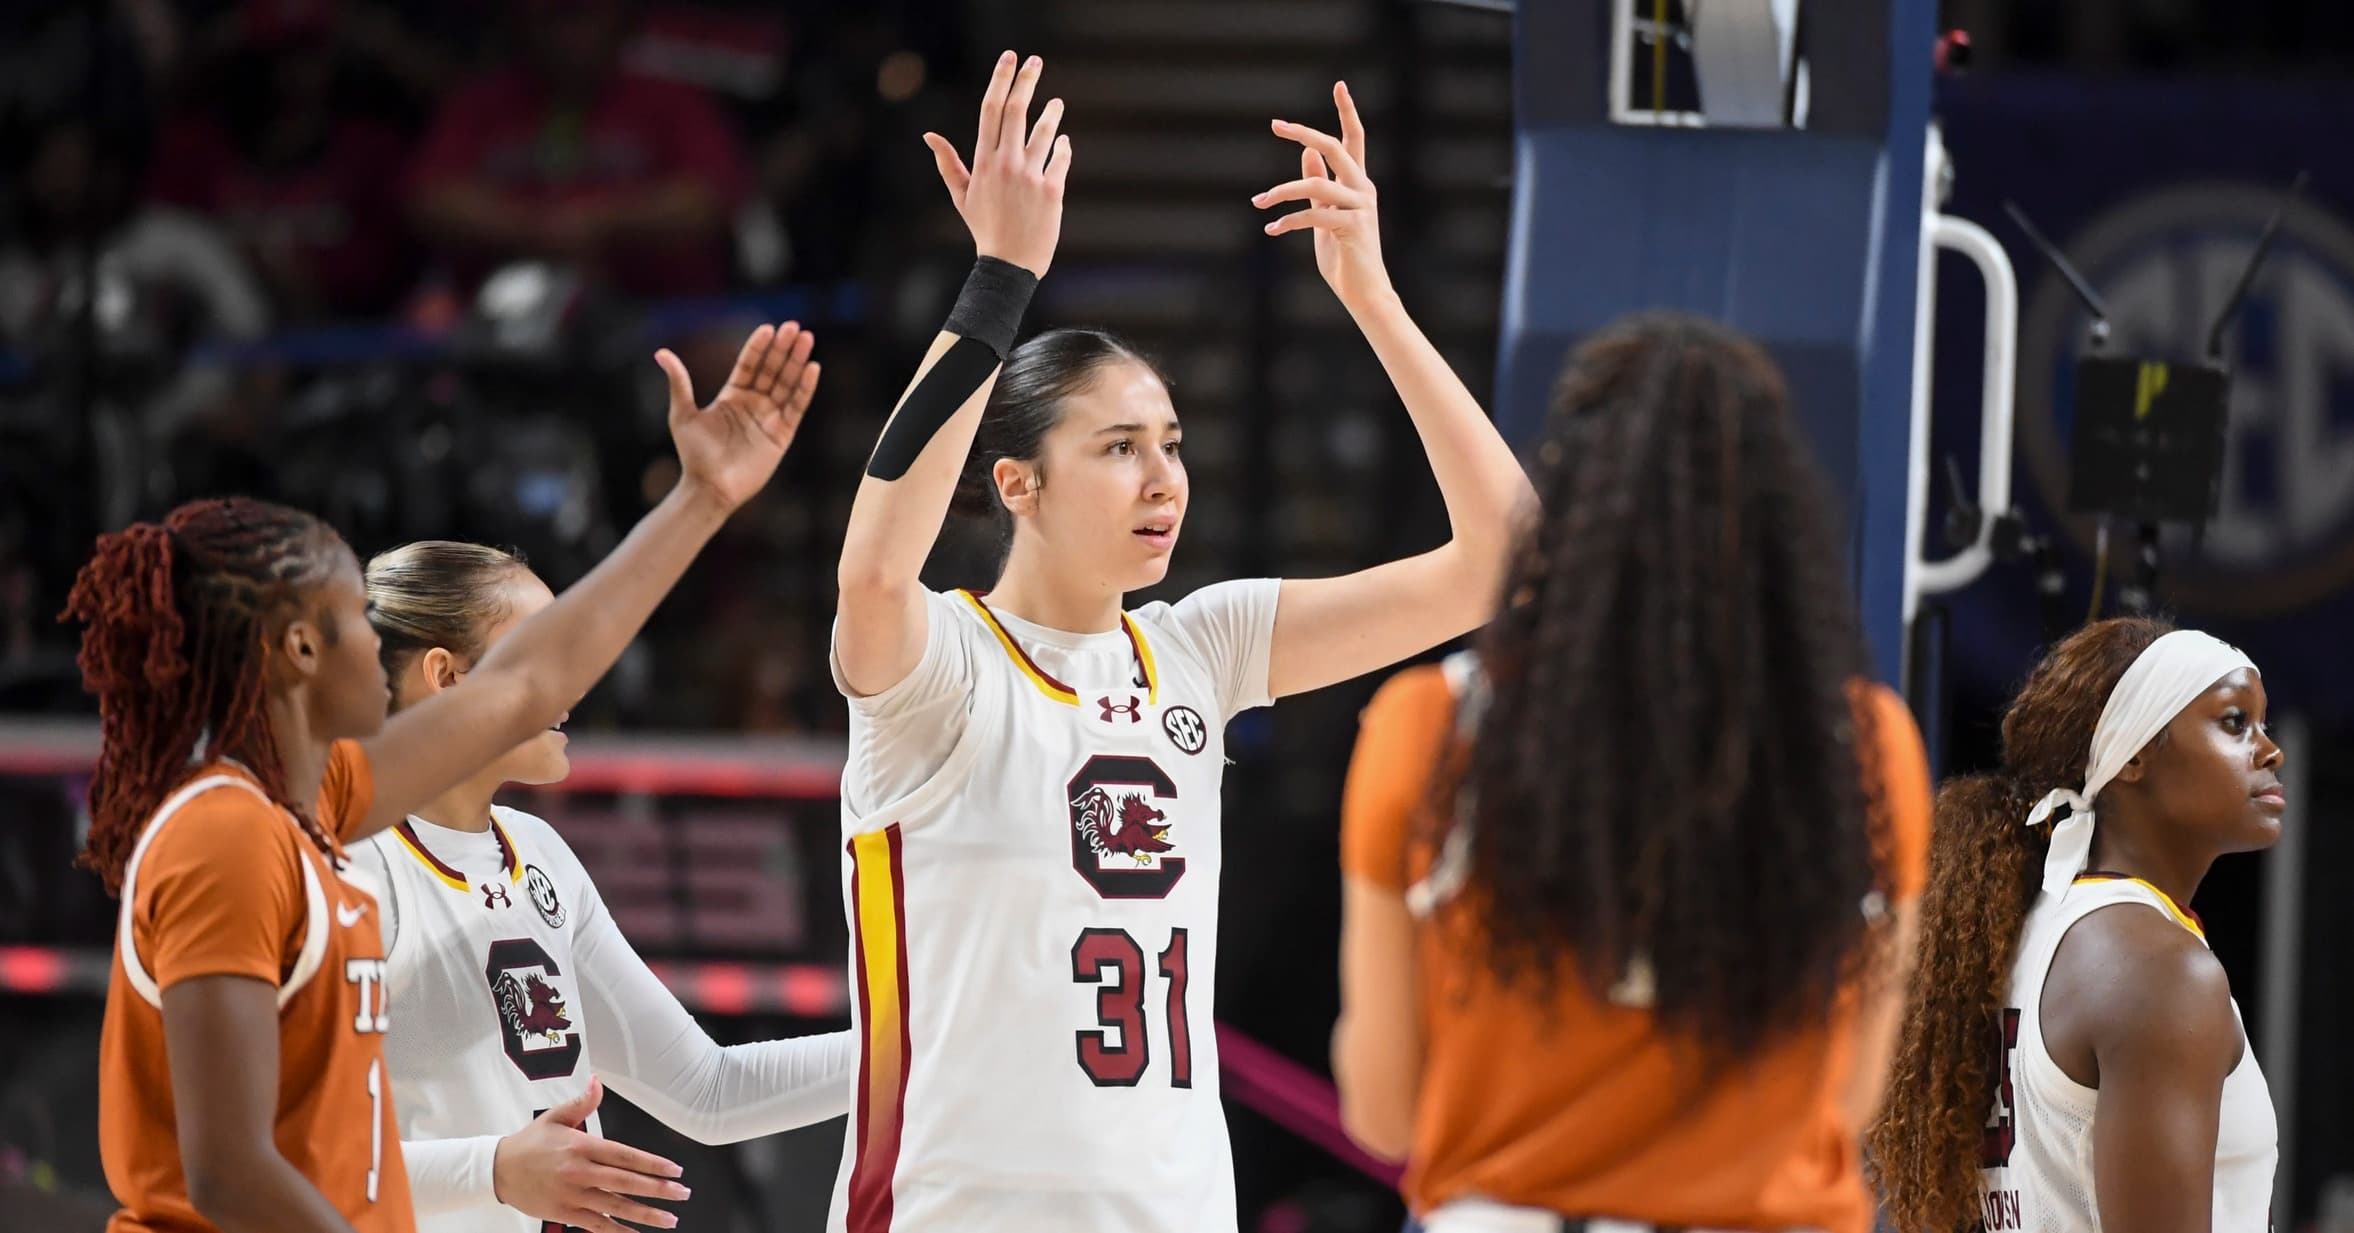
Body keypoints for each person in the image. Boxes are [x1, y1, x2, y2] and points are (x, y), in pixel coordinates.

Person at [825, 52, 1533, 1233]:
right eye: (1117, 448)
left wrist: (1372, 298)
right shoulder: (938, 669)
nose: (1163, 479)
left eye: (1173, 443)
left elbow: (1501, 558)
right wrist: (999, 279)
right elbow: (871, 566)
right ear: (1017, 483)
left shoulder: (1195, 650)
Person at [65, 320, 818, 1233]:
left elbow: (537, 678)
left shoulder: (336, 802)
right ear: (303, 648)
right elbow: (222, 1167)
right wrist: (493, 1169)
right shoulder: (230, 836)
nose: (379, 645)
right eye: (356, 616)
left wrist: (704, 498)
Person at [1332, 314, 1933, 1233]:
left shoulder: (1430, 729)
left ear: (1570, 504)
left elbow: (1383, 1110)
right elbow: (1853, 1100)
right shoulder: (1866, 746)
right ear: (1782, 528)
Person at [353, 539, 857, 1233]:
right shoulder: (354, 867)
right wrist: (494, 1170)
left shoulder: (540, 854)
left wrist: (922, 1044)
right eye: (542, 649)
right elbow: (276, 1159)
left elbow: (707, 1089)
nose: (577, 679)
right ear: (445, 676)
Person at [1867, 618, 2279, 1233]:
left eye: (2263, 724)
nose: (2269, 750)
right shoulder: (2161, 971)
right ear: (2134, 754)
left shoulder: (2025, 932)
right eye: (2233, 722)